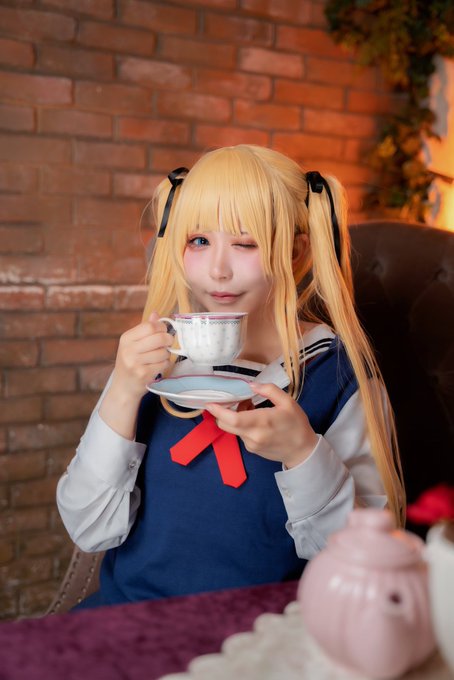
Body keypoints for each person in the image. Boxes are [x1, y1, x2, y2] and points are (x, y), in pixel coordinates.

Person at [57, 144, 405, 609]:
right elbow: (89, 528)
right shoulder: (154, 361)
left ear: (295, 251)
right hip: (130, 618)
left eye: (246, 243)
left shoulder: (337, 374)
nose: (218, 270)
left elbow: (366, 557)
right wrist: (122, 389)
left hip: (263, 632)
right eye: (199, 241)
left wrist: (303, 453)